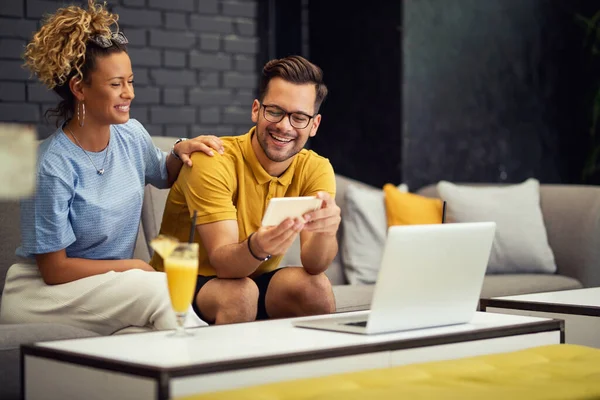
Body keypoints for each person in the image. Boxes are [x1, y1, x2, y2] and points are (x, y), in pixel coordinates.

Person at [0, 0, 224, 334]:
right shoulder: (50, 167)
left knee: (157, 305)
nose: (129, 93)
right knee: (162, 291)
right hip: (42, 293)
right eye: (116, 84)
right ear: (80, 89)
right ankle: (209, 373)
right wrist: (133, 266)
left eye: (130, 81)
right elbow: (54, 270)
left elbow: (163, 173)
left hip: (109, 282)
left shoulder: (130, 135)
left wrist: (181, 150)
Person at [151, 55, 340, 325]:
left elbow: (314, 264)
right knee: (240, 294)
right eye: (274, 111)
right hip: (178, 281)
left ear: (314, 125)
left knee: (315, 287)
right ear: (256, 110)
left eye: (299, 117)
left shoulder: (316, 169)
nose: (284, 126)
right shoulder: (213, 161)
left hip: (248, 279)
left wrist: (326, 231)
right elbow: (224, 263)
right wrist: (260, 245)